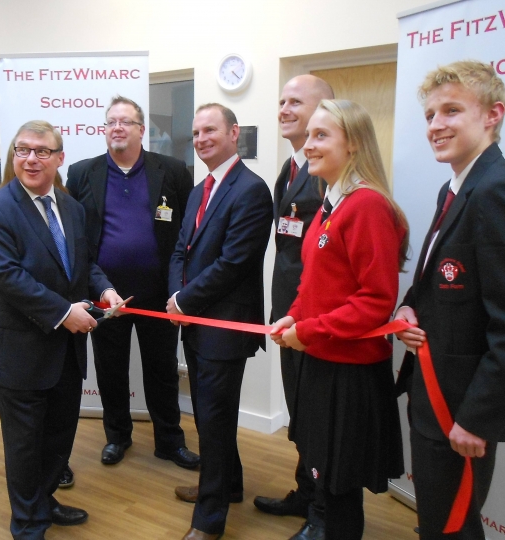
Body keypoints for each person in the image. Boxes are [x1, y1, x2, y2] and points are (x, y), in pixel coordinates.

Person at [394, 61, 505, 540]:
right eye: (429, 115)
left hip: (460, 410)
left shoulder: (501, 191)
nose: (436, 125)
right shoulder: (457, 187)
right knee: (440, 523)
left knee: (453, 529)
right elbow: (434, 283)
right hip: (432, 392)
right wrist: (406, 308)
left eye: (451, 110)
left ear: (492, 115)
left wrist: (476, 419)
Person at [0, 120, 123, 539]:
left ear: (60, 158)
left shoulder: (71, 206)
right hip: (20, 349)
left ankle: (44, 501)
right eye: (23, 150)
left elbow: (84, 264)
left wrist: (105, 290)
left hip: (64, 351)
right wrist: (63, 313)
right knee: (24, 445)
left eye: (42, 151)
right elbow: (6, 277)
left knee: (58, 438)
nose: (31, 159)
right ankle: (27, 523)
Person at [270, 99, 407, 540]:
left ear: (354, 145)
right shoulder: (333, 203)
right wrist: (294, 315)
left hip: (348, 373)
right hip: (322, 361)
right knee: (323, 475)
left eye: (321, 135)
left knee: (340, 486)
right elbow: (318, 284)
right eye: (309, 135)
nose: (308, 145)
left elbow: (375, 300)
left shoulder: (366, 205)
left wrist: (307, 331)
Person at [66, 95, 198, 469]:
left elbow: (185, 232)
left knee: (162, 370)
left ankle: (169, 441)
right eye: (111, 122)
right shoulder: (81, 173)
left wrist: (180, 288)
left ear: (142, 130)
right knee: (110, 370)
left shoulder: (171, 170)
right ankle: (117, 437)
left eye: (125, 122)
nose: (117, 128)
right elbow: (77, 237)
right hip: (106, 295)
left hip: (159, 294)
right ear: (104, 130)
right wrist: (95, 287)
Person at [168, 104, 273, 540]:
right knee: (211, 416)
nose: (200, 138)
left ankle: (209, 521)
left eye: (210, 130)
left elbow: (234, 263)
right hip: (194, 322)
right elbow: (181, 249)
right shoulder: (199, 190)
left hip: (225, 328)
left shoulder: (252, 190)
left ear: (234, 134)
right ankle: (228, 484)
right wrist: (176, 296)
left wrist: (185, 299)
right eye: (195, 132)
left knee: (213, 418)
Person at [254, 75, 335, 521]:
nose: (283, 108)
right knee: (300, 412)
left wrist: (304, 317)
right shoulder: (290, 170)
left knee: (318, 418)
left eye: (295, 102)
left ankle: (322, 510)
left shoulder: (328, 174)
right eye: (281, 100)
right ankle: (306, 492)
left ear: (324, 109)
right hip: (288, 313)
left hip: (315, 321)